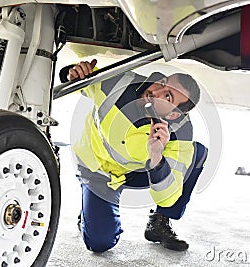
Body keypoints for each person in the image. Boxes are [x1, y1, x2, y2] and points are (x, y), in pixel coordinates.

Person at [59, 59, 208, 252]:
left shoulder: (181, 133)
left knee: (198, 154)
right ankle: (90, 211)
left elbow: (168, 196)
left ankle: (160, 223)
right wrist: (72, 73)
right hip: (99, 169)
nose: (155, 92)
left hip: (138, 172)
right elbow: (74, 81)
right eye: (162, 83)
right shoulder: (118, 83)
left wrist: (157, 157)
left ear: (173, 115)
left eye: (167, 97)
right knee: (99, 243)